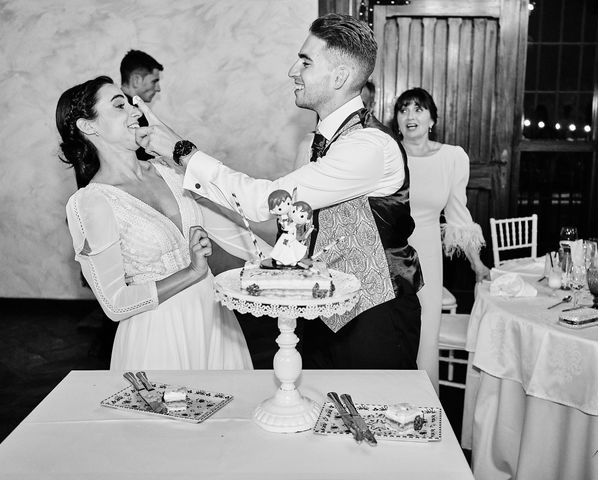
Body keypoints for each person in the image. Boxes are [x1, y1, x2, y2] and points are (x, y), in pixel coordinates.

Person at [135, 13, 423, 370]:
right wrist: (186, 192)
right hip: (322, 309)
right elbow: (292, 230)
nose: (292, 71)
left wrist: (182, 151)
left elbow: (264, 201)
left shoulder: (368, 147)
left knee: (374, 419)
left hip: (375, 318)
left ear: (340, 76)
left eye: (305, 61)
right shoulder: (321, 145)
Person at [57, 75, 257, 370]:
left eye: (131, 105)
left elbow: (233, 209)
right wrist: (191, 272)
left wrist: (280, 259)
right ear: (89, 126)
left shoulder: (170, 172)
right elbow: (115, 304)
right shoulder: (92, 202)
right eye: (119, 106)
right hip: (159, 334)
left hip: (214, 319)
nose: (135, 112)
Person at [391, 87, 490, 388]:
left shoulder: (451, 158)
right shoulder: (385, 155)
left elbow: (459, 216)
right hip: (388, 254)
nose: (410, 116)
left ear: (432, 119)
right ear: (396, 120)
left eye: (418, 109)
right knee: (390, 334)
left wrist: (478, 264)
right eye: (403, 109)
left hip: (428, 257)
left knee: (424, 336)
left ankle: (424, 410)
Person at [120, 50, 164, 160]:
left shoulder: (121, 109)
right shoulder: (133, 114)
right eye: (154, 81)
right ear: (136, 80)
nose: (158, 88)